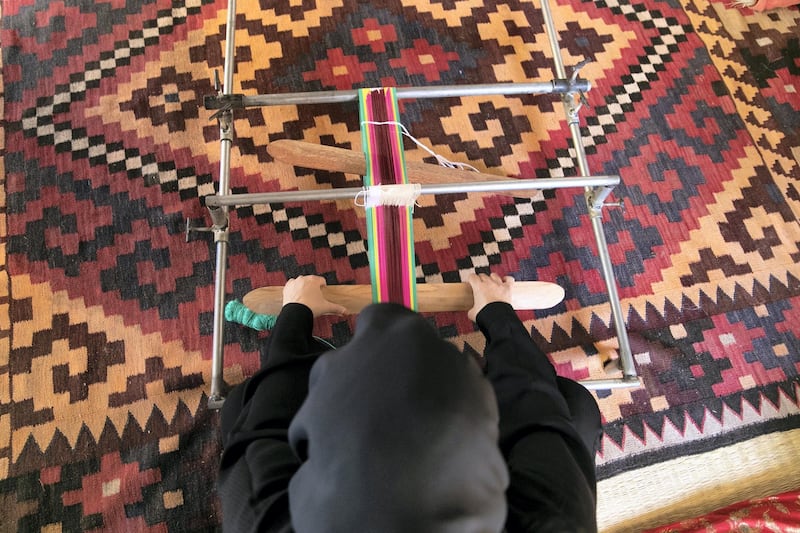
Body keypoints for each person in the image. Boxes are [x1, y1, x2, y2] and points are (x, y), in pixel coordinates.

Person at [217, 273, 602, 532]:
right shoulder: (558, 519)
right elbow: (536, 409)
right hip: (511, 494)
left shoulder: (259, 519)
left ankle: (322, 362)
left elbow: (262, 428)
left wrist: (295, 316)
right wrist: (496, 313)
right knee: (573, 404)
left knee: (241, 406)